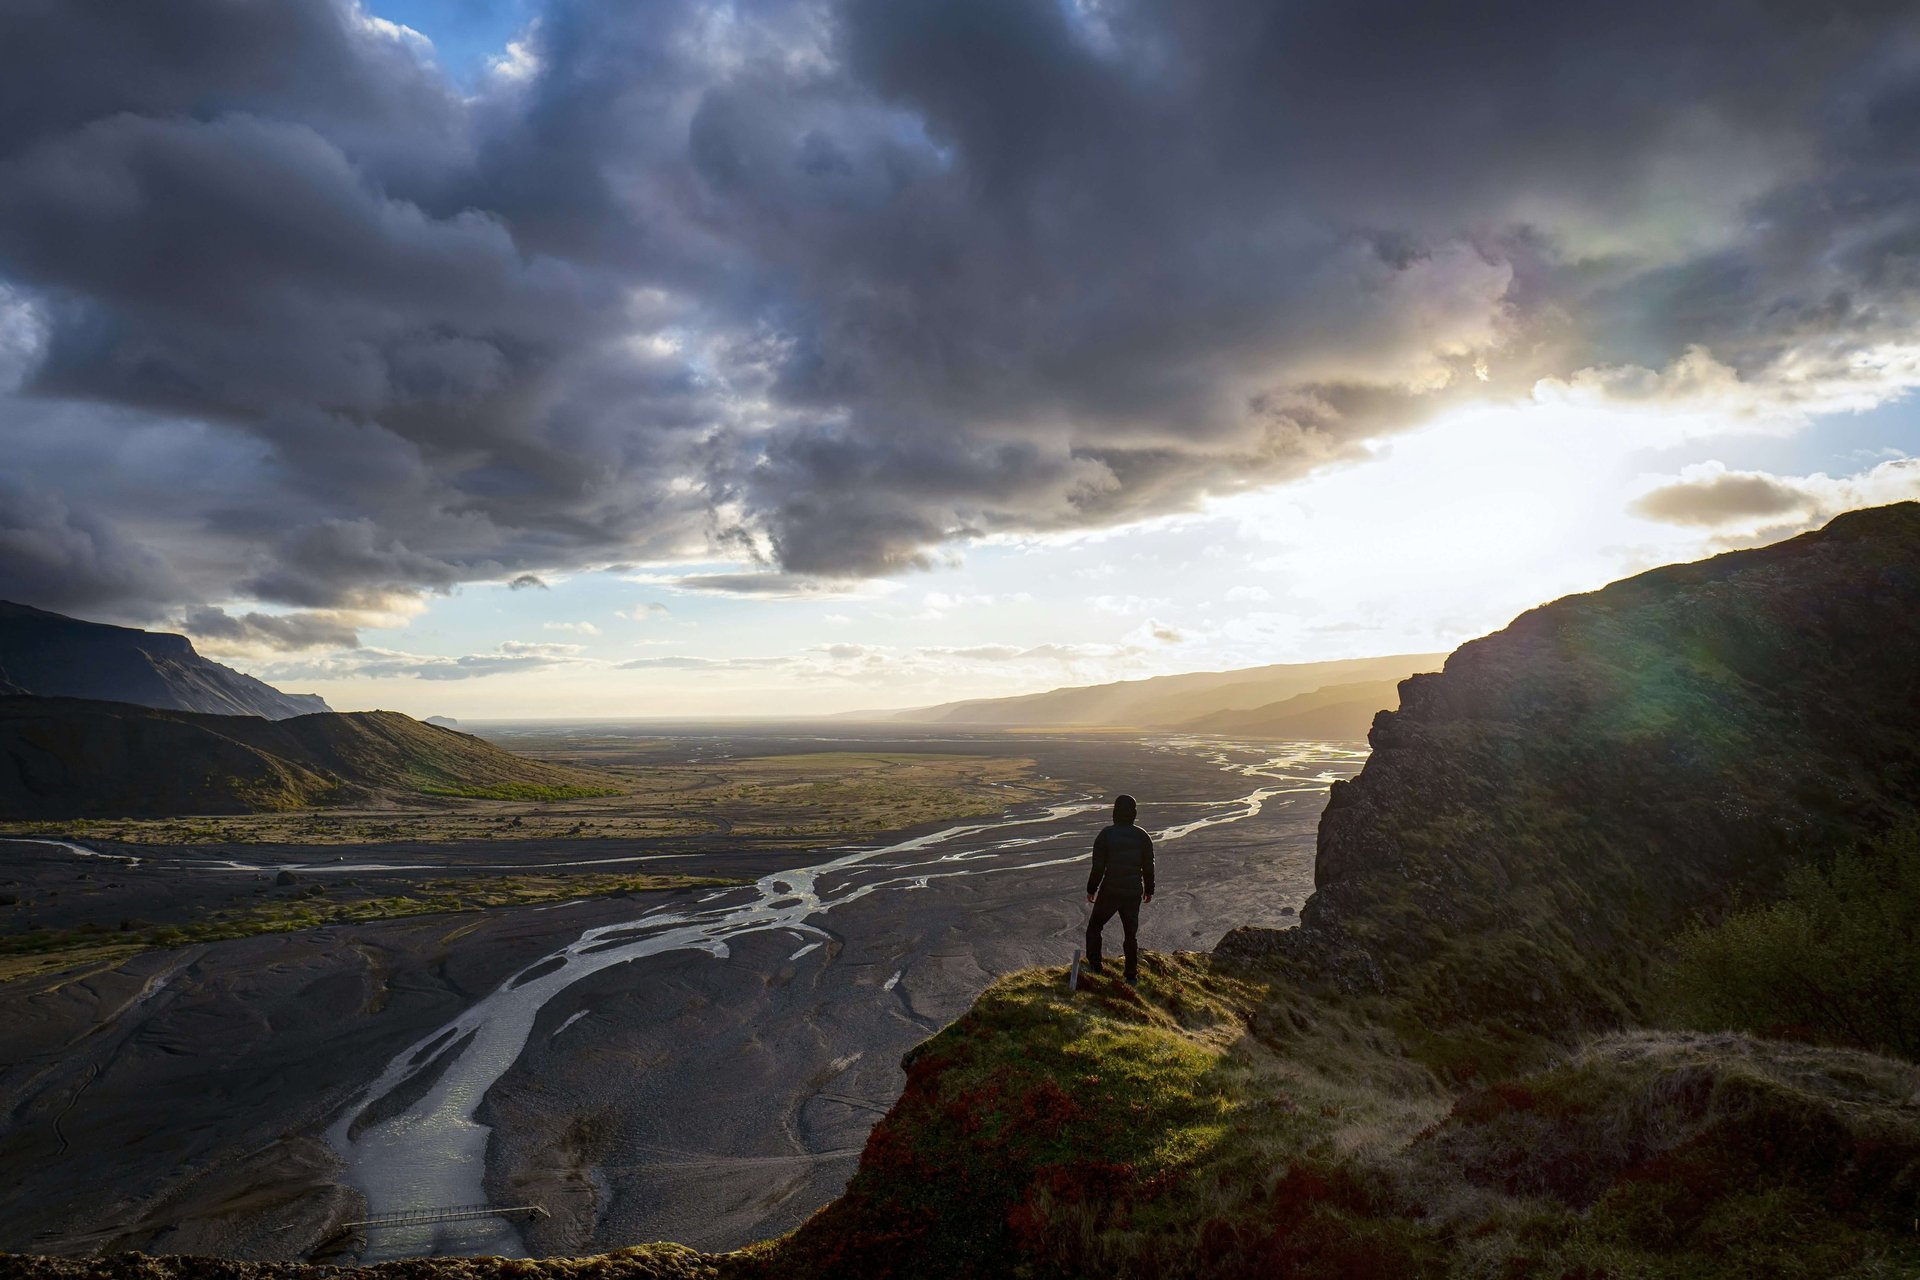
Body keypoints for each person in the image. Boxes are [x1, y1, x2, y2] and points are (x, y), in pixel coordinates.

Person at [1085, 793, 1154, 986]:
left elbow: (1098, 867)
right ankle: (1131, 975)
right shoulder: (1142, 836)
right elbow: (1148, 867)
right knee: (1130, 935)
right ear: (1133, 813)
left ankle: (1095, 967)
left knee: (1094, 927)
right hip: (1133, 892)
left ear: (1115, 812)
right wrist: (1149, 889)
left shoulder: (1106, 835)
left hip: (1110, 890)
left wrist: (1091, 888)